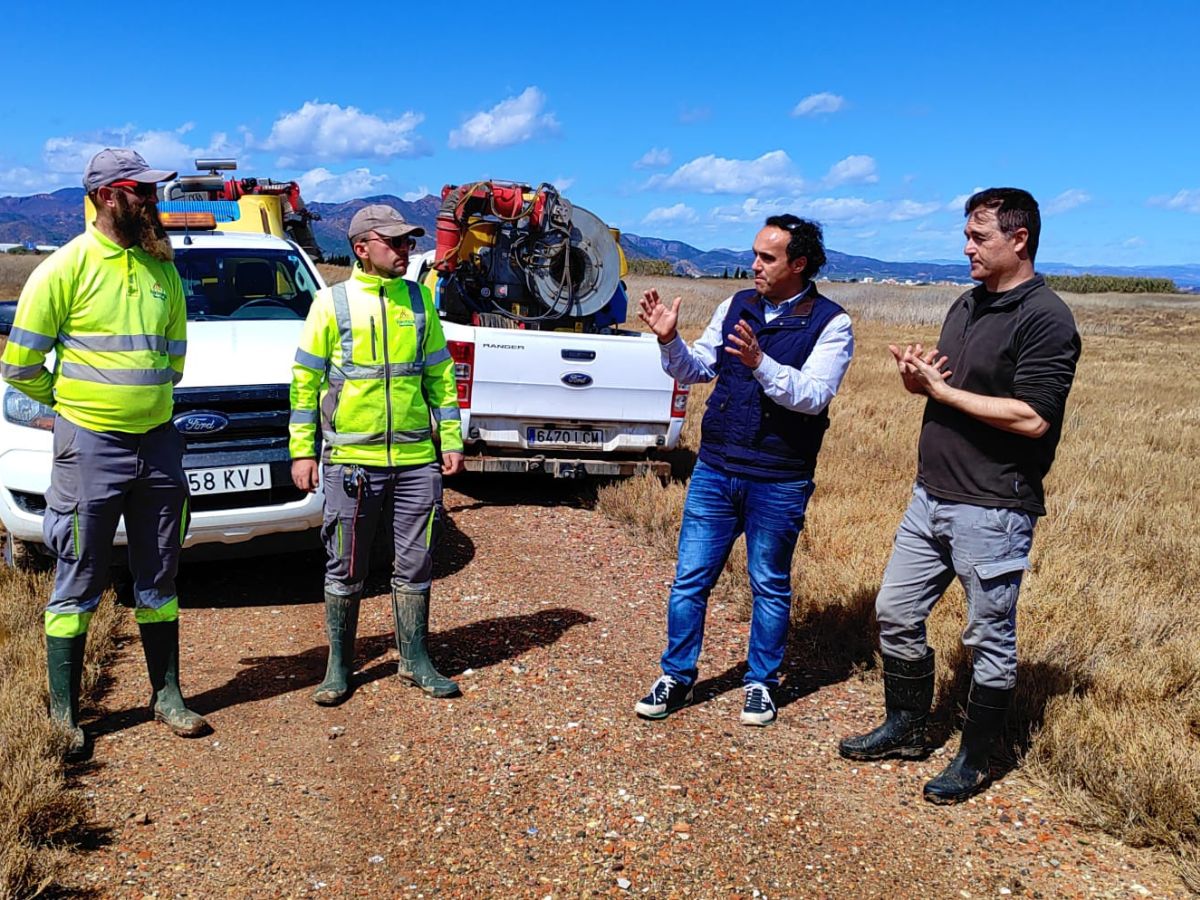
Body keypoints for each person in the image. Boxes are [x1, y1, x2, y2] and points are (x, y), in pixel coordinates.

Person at [838, 188, 1081, 804]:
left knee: (988, 638)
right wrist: (920, 383)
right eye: (967, 235)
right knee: (894, 610)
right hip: (932, 496)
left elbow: (1032, 418)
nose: (966, 246)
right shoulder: (966, 304)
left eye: (979, 236)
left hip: (994, 507)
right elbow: (952, 389)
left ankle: (975, 758)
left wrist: (945, 397)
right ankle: (908, 726)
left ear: (1018, 239)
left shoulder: (1046, 317)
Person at [1, 148, 209, 761]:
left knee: (161, 572)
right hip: (89, 448)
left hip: (158, 445)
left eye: (152, 190)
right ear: (107, 196)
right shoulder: (62, 269)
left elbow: (174, 361)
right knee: (79, 575)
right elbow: (20, 367)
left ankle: (165, 694)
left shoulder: (162, 269)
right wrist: (69, 410)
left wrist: (146, 410)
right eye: (140, 191)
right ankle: (65, 715)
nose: (152, 199)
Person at [634, 215, 854, 726]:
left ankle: (760, 683)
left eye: (767, 258)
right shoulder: (736, 305)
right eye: (755, 254)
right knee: (690, 579)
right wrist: (669, 341)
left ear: (798, 264)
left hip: (779, 477)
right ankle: (677, 676)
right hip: (716, 469)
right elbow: (699, 369)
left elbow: (814, 396)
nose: (754, 265)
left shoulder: (831, 322)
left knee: (769, 584)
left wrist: (761, 364)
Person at [290, 204, 464, 706]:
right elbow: (304, 385)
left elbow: (439, 374)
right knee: (345, 566)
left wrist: (449, 439)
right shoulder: (332, 303)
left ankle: (415, 660)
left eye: (409, 242)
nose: (406, 251)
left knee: (416, 563)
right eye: (396, 243)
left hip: (414, 460)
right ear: (362, 248)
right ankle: (339, 666)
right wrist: (303, 453)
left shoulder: (419, 300)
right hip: (351, 461)